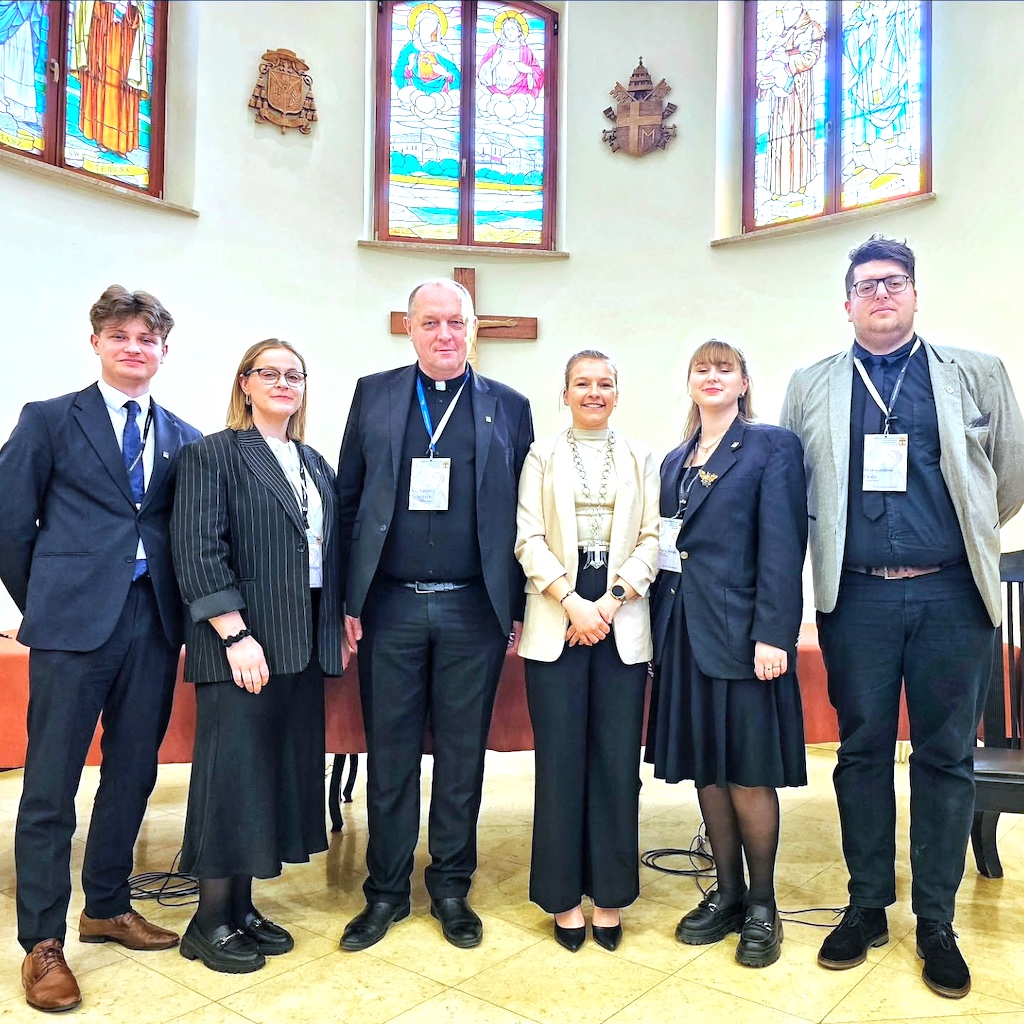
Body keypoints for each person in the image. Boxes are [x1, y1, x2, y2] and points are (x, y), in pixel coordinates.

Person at [779, 235, 1024, 998]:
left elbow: (1009, 474)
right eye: (867, 285)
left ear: (916, 294)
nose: (881, 294)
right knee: (860, 752)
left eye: (894, 282)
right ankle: (866, 906)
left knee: (946, 757)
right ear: (846, 303)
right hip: (857, 597)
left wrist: (964, 535)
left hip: (952, 593)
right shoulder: (810, 385)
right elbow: (794, 488)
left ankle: (936, 920)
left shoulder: (976, 373)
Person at [0, 285, 200, 1012]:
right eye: (120, 336)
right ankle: (42, 943)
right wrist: (47, 602)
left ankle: (108, 905)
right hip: (71, 628)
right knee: (51, 785)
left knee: (132, 773)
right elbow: (9, 525)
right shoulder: (50, 419)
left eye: (147, 339)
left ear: (164, 352)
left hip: (153, 623)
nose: (133, 348)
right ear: (96, 344)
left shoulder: (184, 436)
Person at [336, 277, 533, 951]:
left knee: (460, 757)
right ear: (410, 327)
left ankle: (451, 887)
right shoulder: (374, 394)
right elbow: (349, 500)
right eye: (431, 322)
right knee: (390, 757)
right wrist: (348, 600)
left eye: (456, 321)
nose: (445, 333)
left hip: (472, 608)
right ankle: (386, 892)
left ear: (472, 326)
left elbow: (523, 514)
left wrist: (516, 605)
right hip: (388, 606)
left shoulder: (510, 406)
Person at [170, 339, 342, 974]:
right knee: (231, 780)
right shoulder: (212, 453)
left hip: (300, 643)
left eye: (294, 374)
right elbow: (197, 547)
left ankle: (240, 910)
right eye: (268, 372)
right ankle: (207, 921)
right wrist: (234, 635)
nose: (283, 382)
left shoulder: (314, 462)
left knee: (265, 779)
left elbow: (326, 551)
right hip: (242, 643)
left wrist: (339, 621)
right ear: (244, 383)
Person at [646, 340, 808, 969]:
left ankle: (764, 904)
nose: (712, 377)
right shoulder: (675, 460)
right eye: (701, 369)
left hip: (745, 637)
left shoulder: (770, 447)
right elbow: (667, 550)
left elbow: (783, 544)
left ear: (743, 382)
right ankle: (730, 894)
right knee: (707, 771)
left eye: (724, 369)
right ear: (689, 382)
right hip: (684, 634)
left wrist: (774, 633)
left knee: (747, 771)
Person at [514, 350, 659, 952]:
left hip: (619, 619)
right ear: (565, 393)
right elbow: (527, 537)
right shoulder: (542, 454)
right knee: (561, 765)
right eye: (582, 383)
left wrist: (611, 601)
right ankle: (563, 898)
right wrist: (573, 603)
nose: (593, 392)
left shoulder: (641, 457)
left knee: (617, 766)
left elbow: (653, 537)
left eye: (604, 383)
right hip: (558, 618)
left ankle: (611, 895)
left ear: (617, 393)